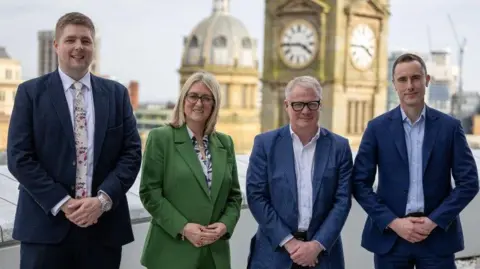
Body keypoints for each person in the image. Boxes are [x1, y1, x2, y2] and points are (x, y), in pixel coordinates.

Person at [7, 12, 142, 269]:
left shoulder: (116, 95)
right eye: (70, 40)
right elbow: (19, 157)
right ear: (56, 46)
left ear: (93, 47)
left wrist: (102, 201)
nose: (79, 46)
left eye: (86, 40)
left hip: (102, 230)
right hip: (45, 230)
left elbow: (132, 153)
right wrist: (64, 203)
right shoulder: (30, 93)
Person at [352, 53, 479, 269]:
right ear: (394, 85)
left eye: (415, 78)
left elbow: (469, 183)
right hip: (391, 240)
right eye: (402, 80)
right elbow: (359, 183)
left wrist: (433, 221)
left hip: (437, 239)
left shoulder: (450, 127)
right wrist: (393, 222)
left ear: (426, 80)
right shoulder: (376, 128)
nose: (409, 85)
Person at [246, 76, 353, 269]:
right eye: (298, 105)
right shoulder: (265, 144)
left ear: (320, 105)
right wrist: (290, 242)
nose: (305, 110)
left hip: (323, 256)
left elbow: (342, 201)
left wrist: (316, 246)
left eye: (312, 104)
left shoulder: (340, 147)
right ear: (287, 105)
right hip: (274, 255)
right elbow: (256, 197)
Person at [139, 71, 242, 269]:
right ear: (183, 99)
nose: (198, 103)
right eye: (193, 96)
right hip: (171, 253)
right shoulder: (161, 138)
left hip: (214, 255)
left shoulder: (225, 143)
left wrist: (224, 226)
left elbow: (234, 197)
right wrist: (183, 228)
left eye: (206, 98)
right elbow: (150, 193)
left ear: (214, 104)